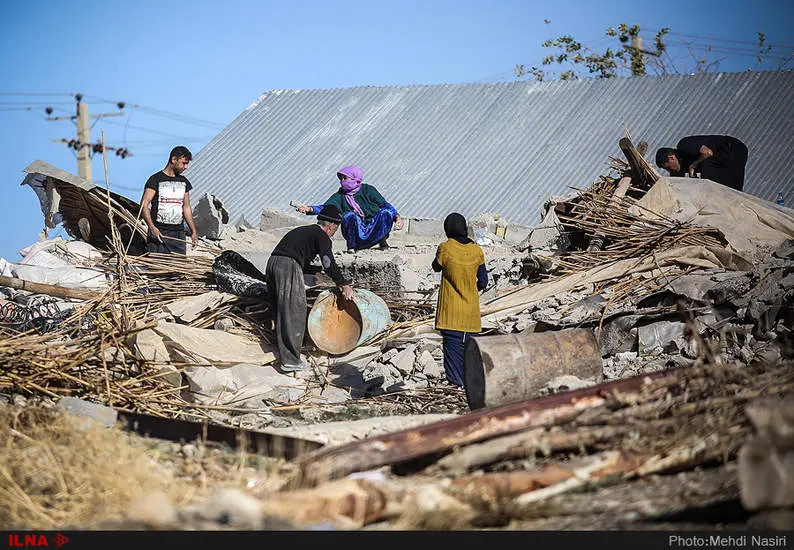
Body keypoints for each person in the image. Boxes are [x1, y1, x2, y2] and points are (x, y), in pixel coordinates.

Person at [266, 204, 354, 372]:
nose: (333, 235)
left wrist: (317, 272)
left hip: (273, 264)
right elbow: (328, 262)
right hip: (287, 266)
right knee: (294, 311)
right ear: (331, 227)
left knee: (280, 309)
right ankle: (291, 361)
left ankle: (280, 349)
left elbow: (303, 259)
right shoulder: (322, 236)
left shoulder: (305, 231)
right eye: (334, 231)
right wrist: (343, 284)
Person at [432, 213, 488, 387]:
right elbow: (484, 282)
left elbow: (436, 267)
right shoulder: (477, 251)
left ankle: (456, 390)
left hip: (451, 315)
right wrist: (471, 289)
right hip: (471, 316)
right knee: (469, 359)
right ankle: (470, 391)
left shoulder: (446, 247)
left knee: (453, 360)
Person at [296, 165, 404, 251]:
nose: (342, 181)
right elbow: (327, 208)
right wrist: (310, 209)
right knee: (349, 216)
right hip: (357, 231)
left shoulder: (368, 190)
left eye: (345, 178)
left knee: (386, 213)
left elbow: (385, 205)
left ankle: (382, 241)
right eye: (341, 178)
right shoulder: (340, 195)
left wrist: (397, 217)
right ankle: (352, 246)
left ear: (356, 179)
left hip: (373, 226)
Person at [140, 145, 198, 254]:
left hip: (178, 235)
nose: (186, 167)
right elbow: (144, 205)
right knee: (157, 267)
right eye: (184, 163)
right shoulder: (155, 179)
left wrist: (193, 231)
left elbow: (186, 207)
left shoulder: (184, 182)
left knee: (177, 268)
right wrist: (152, 228)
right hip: (159, 233)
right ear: (174, 160)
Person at [655, 135, 748, 191]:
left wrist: (693, 165)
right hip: (726, 161)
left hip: (732, 149)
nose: (669, 171)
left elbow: (708, 153)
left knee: (709, 177)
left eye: (667, 168)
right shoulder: (680, 169)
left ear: (671, 158)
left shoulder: (684, 145)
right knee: (732, 190)